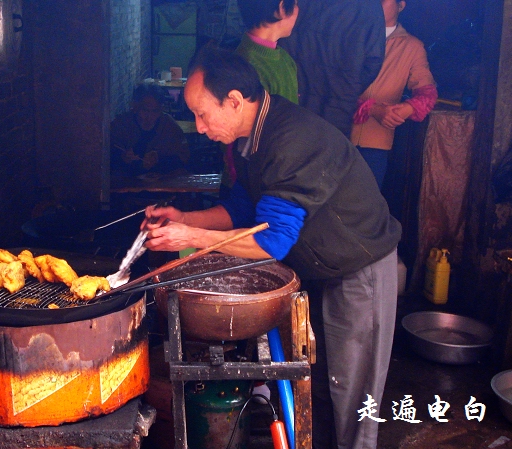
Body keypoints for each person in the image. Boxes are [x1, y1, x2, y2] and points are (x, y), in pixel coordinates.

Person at [144, 47, 401, 449]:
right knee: (321, 383)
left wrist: (191, 238)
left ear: (233, 101)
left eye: (202, 114)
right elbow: (243, 209)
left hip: (359, 265)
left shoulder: (292, 139)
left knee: (354, 392)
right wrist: (186, 218)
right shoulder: (251, 138)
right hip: (321, 267)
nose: (199, 127)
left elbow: (272, 241)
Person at [350, 0, 437, 187]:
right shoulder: (349, 36)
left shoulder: (412, 46)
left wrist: (407, 109)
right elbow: (330, 87)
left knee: (366, 199)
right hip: (337, 133)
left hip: (376, 144)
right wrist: (372, 109)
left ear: (401, 5)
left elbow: (427, 93)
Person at [280, 0, 387, 137]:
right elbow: (373, 62)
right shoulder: (369, 6)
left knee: (287, 144)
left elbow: (279, 37)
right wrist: (349, 88)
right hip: (338, 106)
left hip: (292, 97)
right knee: (329, 148)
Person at [110, 84, 190, 177]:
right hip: (128, 180)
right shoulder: (122, 124)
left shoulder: (168, 124)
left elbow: (183, 157)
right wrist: (123, 158)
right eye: (145, 110)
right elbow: (109, 158)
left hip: (161, 180)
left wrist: (159, 159)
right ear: (135, 107)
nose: (149, 117)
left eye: (155, 111)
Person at [235, 0, 299, 103]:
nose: (298, 9)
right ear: (282, 8)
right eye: (295, 4)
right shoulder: (247, 69)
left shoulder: (284, 57)